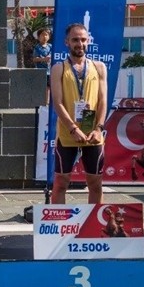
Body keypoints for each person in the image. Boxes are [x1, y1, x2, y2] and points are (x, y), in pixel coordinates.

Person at [49, 24, 107, 204]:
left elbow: (103, 101)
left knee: (95, 183)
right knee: (61, 183)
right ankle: (57, 227)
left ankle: (95, 226)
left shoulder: (99, 67)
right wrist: (73, 129)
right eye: (75, 40)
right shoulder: (59, 68)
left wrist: (98, 128)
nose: (79, 44)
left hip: (92, 134)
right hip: (68, 134)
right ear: (67, 42)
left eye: (83, 39)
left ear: (88, 41)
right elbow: (57, 103)